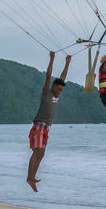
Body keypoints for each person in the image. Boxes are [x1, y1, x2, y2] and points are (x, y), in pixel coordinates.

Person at [26, 51, 72, 192]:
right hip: (39, 125)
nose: (59, 91)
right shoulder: (47, 92)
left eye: (61, 90)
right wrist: (52, 59)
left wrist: (67, 62)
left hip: (46, 128)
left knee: (42, 154)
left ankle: (32, 178)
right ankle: (30, 177)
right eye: (58, 88)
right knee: (36, 153)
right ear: (53, 86)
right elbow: (48, 76)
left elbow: (63, 77)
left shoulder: (56, 96)